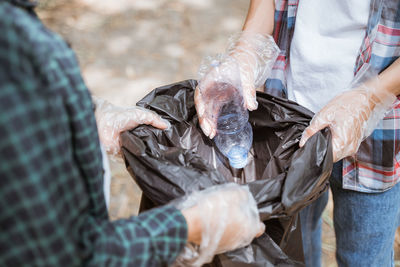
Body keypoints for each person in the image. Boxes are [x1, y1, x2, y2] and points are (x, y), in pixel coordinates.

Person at [0, 0, 265, 266]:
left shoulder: (16, 33)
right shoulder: (16, 50)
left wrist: (89, 119)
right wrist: (190, 227)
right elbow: (66, 256)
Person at [195, 0, 400, 266]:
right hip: (289, 117)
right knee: (293, 250)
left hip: (378, 131)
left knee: (366, 259)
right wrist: (244, 52)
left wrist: (368, 98)